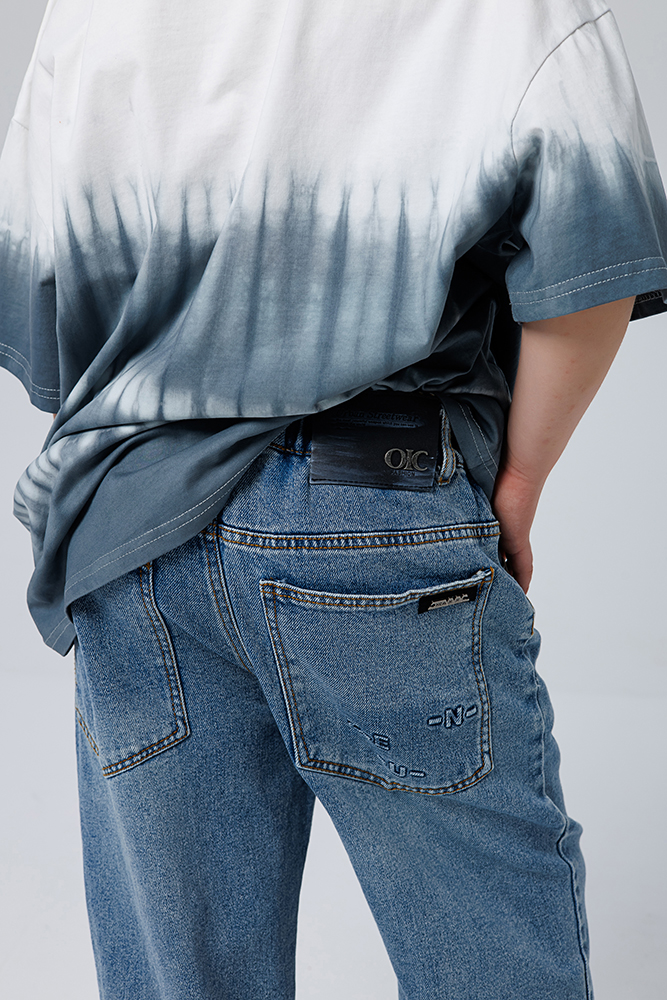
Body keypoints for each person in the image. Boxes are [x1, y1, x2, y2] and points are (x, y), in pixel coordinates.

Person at [1, 1, 666, 997]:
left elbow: (38, 305)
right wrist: (520, 482)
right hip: (373, 505)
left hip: (128, 527)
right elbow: (591, 263)